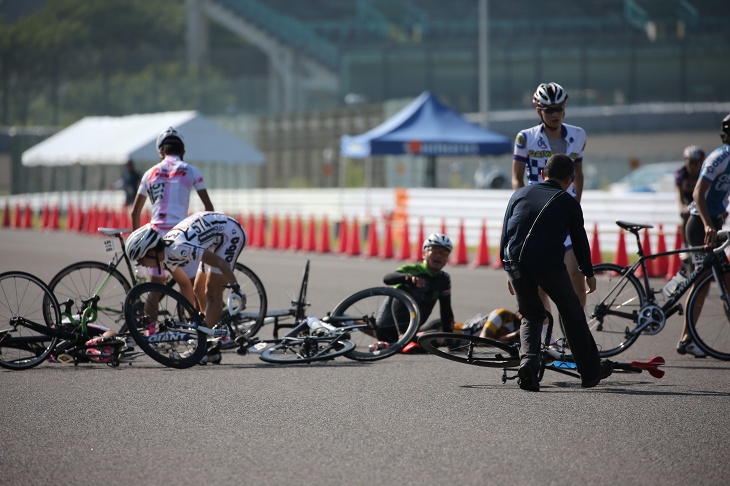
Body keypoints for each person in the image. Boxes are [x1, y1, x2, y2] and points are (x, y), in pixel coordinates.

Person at [500, 154, 612, 391]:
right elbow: (580, 242)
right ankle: (590, 372)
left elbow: (506, 236)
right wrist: (588, 272)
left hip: (516, 262)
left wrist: (507, 270)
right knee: (571, 312)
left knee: (531, 314)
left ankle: (528, 364)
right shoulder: (568, 202)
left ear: (543, 174)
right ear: (570, 179)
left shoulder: (519, 194)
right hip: (548, 264)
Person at [512, 82, 589, 311]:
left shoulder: (578, 135)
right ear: (539, 111)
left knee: (576, 274)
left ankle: (576, 330)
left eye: (559, 109)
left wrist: (575, 205)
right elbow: (516, 177)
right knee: (540, 283)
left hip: (564, 209)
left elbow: (579, 173)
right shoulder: (525, 138)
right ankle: (548, 336)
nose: (555, 114)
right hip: (539, 211)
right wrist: (521, 205)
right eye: (549, 110)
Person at [131, 127, 215, 291]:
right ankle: (197, 317)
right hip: (181, 234)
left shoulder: (149, 173)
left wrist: (138, 242)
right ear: (182, 150)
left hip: (155, 235)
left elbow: (135, 212)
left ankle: (150, 318)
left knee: (155, 289)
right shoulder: (191, 170)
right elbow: (209, 208)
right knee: (195, 286)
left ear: (161, 151)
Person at [677, 114, 730, 357]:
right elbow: (698, 194)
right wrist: (709, 224)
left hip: (714, 223)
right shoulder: (720, 156)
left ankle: (687, 338)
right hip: (699, 224)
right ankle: (686, 338)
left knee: (720, 283)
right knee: (705, 282)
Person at [379, 233, 455, 351]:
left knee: (440, 326)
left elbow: (446, 310)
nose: (439, 255)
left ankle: (407, 341)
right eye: (434, 251)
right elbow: (387, 278)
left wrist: (450, 339)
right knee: (404, 289)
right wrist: (409, 278)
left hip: (413, 329)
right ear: (424, 253)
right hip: (386, 327)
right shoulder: (413, 269)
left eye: (444, 252)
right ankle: (403, 337)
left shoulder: (444, 279)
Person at [674, 145, 705, 274]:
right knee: (686, 215)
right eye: (690, 163)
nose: (693, 167)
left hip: (702, 202)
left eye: (696, 163)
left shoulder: (705, 173)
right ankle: (685, 245)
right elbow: (679, 196)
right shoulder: (681, 174)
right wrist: (682, 208)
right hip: (689, 202)